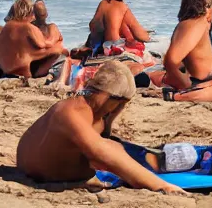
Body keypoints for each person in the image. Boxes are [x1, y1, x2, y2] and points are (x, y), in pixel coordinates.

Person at [17, 61, 183, 194]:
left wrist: (112, 116)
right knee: (113, 148)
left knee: (112, 145)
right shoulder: (72, 113)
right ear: (113, 98)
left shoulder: (75, 105)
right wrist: (161, 186)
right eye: (120, 103)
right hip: (46, 175)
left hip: (33, 167)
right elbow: (101, 151)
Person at [0, 0, 71, 80]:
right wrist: (57, 43)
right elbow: (43, 44)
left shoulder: (1, 29)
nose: (34, 17)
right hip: (24, 73)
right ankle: (52, 75)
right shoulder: (28, 28)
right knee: (61, 54)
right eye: (33, 13)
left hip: (5, 70)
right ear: (26, 14)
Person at [86, 0, 150, 55]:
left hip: (104, 44)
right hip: (116, 43)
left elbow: (93, 25)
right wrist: (147, 38)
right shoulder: (123, 6)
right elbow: (136, 29)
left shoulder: (102, 3)